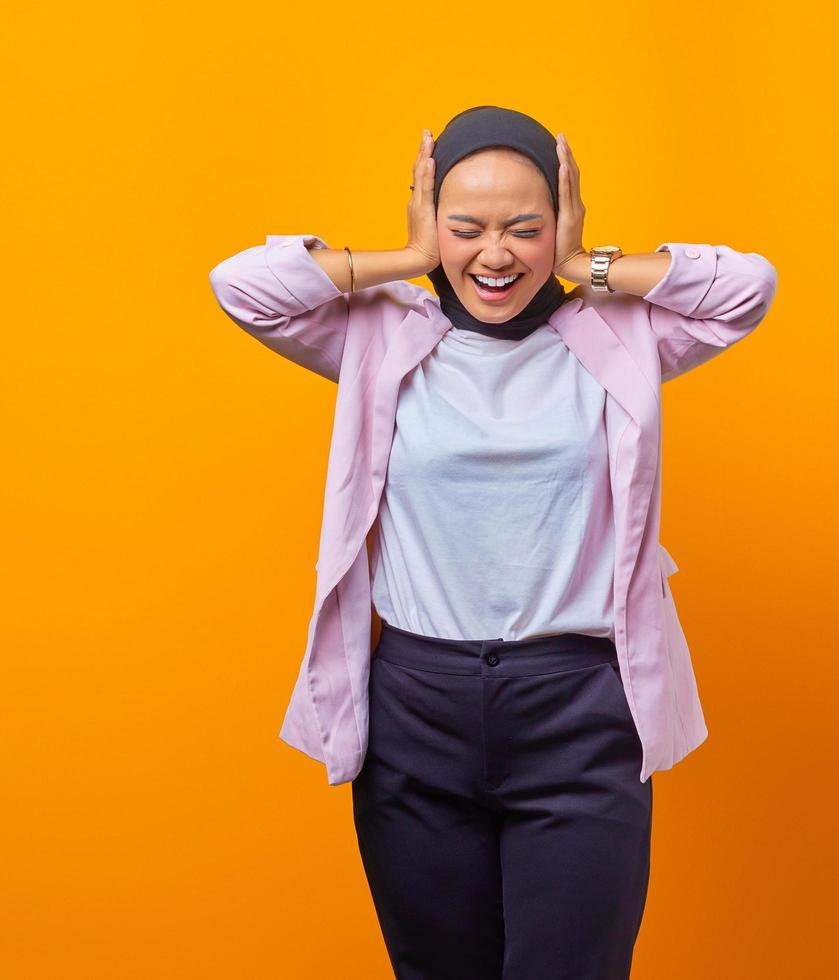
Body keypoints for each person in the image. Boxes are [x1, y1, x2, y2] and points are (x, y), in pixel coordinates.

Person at [208, 104, 779, 979]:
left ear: (562, 223)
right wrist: (406, 260)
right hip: (416, 708)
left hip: (580, 708)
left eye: (527, 227)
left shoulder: (618, 331)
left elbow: (749, 288)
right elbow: (241, 284)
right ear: (430, 221)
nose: (496, 254)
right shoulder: (381, 329)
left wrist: (590, 266)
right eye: (466, 228)